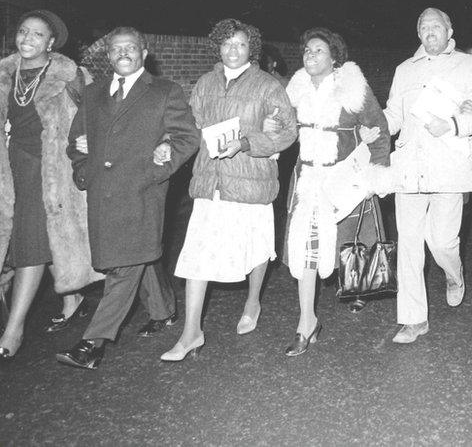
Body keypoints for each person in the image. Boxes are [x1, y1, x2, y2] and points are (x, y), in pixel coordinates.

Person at [57, 27, 199, 369]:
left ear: (144, 52)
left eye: (131, 48)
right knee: (137, 253)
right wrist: (83, 170)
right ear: (108, 56)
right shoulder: (92, 95)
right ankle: (163, 310)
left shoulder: (165, 90)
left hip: (142, 192)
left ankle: (93, 342)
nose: (124, 53)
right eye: (117, 49)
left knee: (125, 264)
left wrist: (156, 171)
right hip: (103, 194)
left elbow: (187, 138)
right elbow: (76, 141)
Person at [162, 19, 297, 361]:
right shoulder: (206, 83)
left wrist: (248, 142)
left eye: (239, 44)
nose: (232, 51)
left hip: (251, 180)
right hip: (210, 181)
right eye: (226, 44)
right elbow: (190, 128)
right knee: (197, 253)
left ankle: (253, 301)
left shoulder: (268, 85)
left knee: (255, 246)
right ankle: (191, 332)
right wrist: (168, 141)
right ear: (218, 48)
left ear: (251, 49)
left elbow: (287, 133)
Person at [384, 8, 472, 344]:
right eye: (423, 27)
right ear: (418, 34)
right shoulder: (404, 70)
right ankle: (414, 320)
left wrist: (453, 125)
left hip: (448, 168)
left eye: (436, 26)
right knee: (408, 246)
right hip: (409, 167)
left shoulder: (471, 67)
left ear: (450, 31)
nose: (429, 31)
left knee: (442, 242)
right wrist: (375, 130)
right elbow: (393, 114)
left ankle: (454, 272)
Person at [280, 27, 390, 356]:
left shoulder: (352, 85)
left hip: (343, 177)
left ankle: (356, 289)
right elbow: (282, 129)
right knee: (308, 246)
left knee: (350, 241)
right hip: (309, 180)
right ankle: (306, 321)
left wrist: (376, 173)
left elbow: (379, 127)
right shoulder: (296, 87)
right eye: (307, 51)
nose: (311, 56)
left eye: (318, 51)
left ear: (333, 57)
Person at [0, 10, 100, 359]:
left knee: (30, 241)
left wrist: (88, 145)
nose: (27, 39)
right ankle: (72, 295)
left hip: (49, 171)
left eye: (37, 35)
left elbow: (94, 117)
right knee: (39, 237)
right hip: (9, 168)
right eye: (23, 32)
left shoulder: (71, 76)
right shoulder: (4, 73)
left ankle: (14, 327)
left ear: (51, 42)